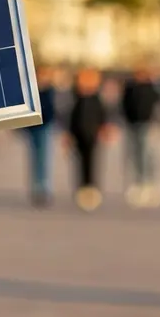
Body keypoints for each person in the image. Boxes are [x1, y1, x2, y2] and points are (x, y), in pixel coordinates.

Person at [65, 68, 115, 212]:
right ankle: (82, 188)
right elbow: (72, 120)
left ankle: (92, 189)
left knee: (92, 163)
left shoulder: (97, 100)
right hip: (78, 136)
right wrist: (68, 135)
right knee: (80, 164)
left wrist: (105, 131)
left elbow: (103, 117)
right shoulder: (77, 100)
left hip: (92, 136)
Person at [120, 64, 160, 207]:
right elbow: (124, 105)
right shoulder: (130, 87)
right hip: (133, 124)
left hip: (148, 124)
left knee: (147, 155)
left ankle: (149, 183)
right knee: (135, 154)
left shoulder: (152, 88)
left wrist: (156, 123)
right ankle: (138, 183)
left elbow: (159, 107)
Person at [24, 64, 59, 207]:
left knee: (44, 159)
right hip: (34, 128)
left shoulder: (50, 91)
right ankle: (36, 188)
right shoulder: (33, 90)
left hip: (45, 127)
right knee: (35, 159)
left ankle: (44, 189)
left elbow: (52, 110)